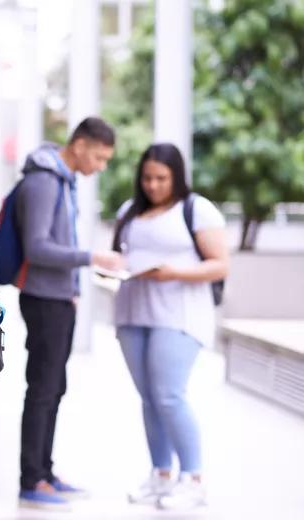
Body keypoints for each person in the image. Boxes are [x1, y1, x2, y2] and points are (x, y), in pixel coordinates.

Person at [112, 143, 228, 510]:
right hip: (133, 313)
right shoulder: (129, 211)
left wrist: (174, 272)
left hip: (178, 316)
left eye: (161, 178)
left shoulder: (197, 210)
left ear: (177, 176)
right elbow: (121, 255)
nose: (153, 185)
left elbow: (220, 264)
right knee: (149, 399)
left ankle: (193, 479)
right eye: (147, 177)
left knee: (168, 395)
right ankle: (161, 476)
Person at [16, 117, 123, 510]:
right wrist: (92, 258)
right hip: (44, 300)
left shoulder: (63, 180)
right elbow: (38, 248)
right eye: (99, 156)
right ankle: (32, 478)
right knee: (42, 391)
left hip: (58, 298)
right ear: (78, 145)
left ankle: (44, 472)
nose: (101, 166)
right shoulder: (44, 181)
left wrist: (73, 288)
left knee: (53, 389)